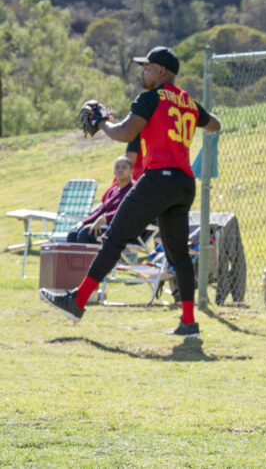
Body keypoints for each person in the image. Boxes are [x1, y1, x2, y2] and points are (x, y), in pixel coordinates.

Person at [40, 46, 221, 336]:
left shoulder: (149, 98)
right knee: (179, 255)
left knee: (114, 238)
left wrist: (102, 122)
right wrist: (189, 112)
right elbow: (215, 124)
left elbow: (124, 133)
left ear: (161, 71)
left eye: (147, 67)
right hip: (184, 183)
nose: (142, 72)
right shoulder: (187, 100)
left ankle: (78, 301)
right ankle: (189, 322)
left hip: (158, 179)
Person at [64, 156, 134, 244]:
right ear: (113, 171)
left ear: (131, 171)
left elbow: (128, 210)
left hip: (124, 228)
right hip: (108, 226)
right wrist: (83, 222)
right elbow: (101, 210)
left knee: (86, 234)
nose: (120, 169)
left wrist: (104, 218)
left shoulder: (134, 189)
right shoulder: (113, 190)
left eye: (124, 167)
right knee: (73, 233)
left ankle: (92, 258)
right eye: (117, 167)